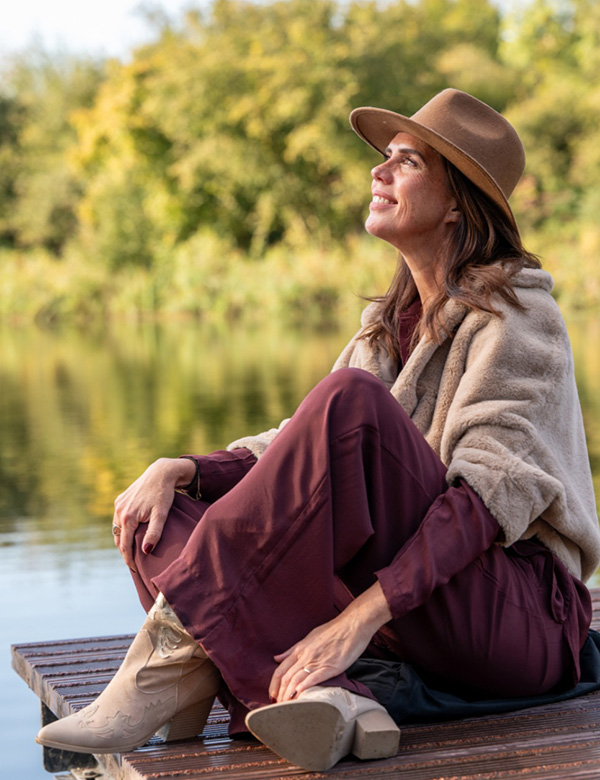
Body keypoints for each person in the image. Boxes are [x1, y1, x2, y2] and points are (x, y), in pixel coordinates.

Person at [36, 89, 600, 772]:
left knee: (348, 404)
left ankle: (192, 664)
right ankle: (334, 701)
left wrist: (352, 621)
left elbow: (487, 500)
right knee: (156, 517)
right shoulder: (385, 329)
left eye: (407, 161)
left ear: (457, 203)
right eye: (383, 157)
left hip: (517, 617)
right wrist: (180, 469)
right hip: (415, 617)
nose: (379, 171)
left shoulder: (519, 315)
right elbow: (291, 456)